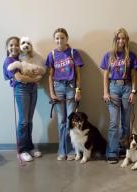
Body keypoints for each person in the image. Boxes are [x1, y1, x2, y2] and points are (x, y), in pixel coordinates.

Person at [100, 28, 137, 164]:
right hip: (113, 88)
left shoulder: (131, 56)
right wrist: (105, 92)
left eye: (123, 38)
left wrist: (134, 91)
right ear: (115, 40)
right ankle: (112, 151)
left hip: (127, 87)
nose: (121, 41)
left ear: (126, 40)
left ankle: (124, 148)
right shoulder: (108, 55)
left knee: (125, 123)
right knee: (113, 123)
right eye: (118, 38)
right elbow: (105, 75)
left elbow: (134, 75)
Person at [45, 28, 84, 161]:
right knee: (61, 122)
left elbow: (78, 74)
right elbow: (50, 76)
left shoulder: (73, 53)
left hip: (71, 87)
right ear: (54, 39)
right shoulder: (52, 55)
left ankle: (72, 150)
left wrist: (78, 90)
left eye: (62, 37)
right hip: (58, 88)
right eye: (57, 38)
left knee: (71, 121)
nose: (59, 40)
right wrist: (52, 92)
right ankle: (62, 150)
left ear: (66, 38)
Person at [3, 36, 43, 162]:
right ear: (7, 47)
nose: (14, 47)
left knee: (29, 121)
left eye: (16, 45)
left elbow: (37, 71)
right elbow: (19, 78)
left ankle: (29, 147)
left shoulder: (22, 58)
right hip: (21, 90)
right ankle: (21, 150)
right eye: (11, 45)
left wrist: (36, 75)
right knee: (23, 122)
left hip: (32, 89)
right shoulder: (9, 61)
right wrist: (35, 79)